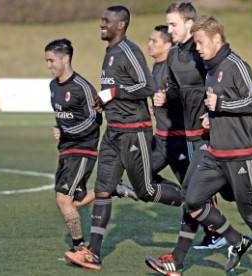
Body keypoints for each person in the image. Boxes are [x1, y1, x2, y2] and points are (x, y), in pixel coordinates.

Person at [147, 16, 252, 276]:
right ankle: (236, 240)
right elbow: (216, 104)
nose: (198, 48)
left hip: (241, 155)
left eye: (201, 43)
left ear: (216, 39)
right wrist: (210, 117)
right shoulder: (210, 67)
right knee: (192, 199)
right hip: (215, 153)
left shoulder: (236, 64)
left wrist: (221, 107)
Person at [64, 6, 183, 270]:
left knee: (146, 191)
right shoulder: (109, 54)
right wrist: (103, 102)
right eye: (101, 20)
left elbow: (148, 87)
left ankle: (194, 199)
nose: (101, 24)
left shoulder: (129, 51)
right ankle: (93, 252)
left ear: (121, 25)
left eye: (106, 21)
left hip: (135, 131)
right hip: (113, 131)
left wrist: (114, 92)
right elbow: (116, 93)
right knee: (104, 188)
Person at [153, 1, 226, 251]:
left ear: (189, 23)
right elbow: (174, 88)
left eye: (173, 24)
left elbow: (218, 79)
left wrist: (211, 112)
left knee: (203, 190)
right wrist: (165, 96)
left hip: (210, 132)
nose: (169, 29)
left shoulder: (201, 52)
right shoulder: (173, 54)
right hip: (190, 133)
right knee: (214, 190)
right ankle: (218, 235)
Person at [45, 38, 102, 252]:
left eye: (52, 60)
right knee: (74, 200)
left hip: (83, 149)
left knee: (63, 199)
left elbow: (94, 120)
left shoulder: (82, 87)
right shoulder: (53, 86)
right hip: (66, 150)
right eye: (47, 61)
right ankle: (110, 189)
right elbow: (64, 117)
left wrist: (66, 131)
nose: (49, 65)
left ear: (65, 58)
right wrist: (59, 128)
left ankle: (80, 248)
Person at [148, 25, 189, 186]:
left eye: (154, 41)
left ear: (167, 45)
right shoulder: (156, 67)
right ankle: (181, 197)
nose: (149, 44)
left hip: (178, 139)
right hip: (161, 137)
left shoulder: (174, 68)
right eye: (149, 40)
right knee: (142, 174)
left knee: (196, 193)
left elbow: (189, 96)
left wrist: (167, 99)